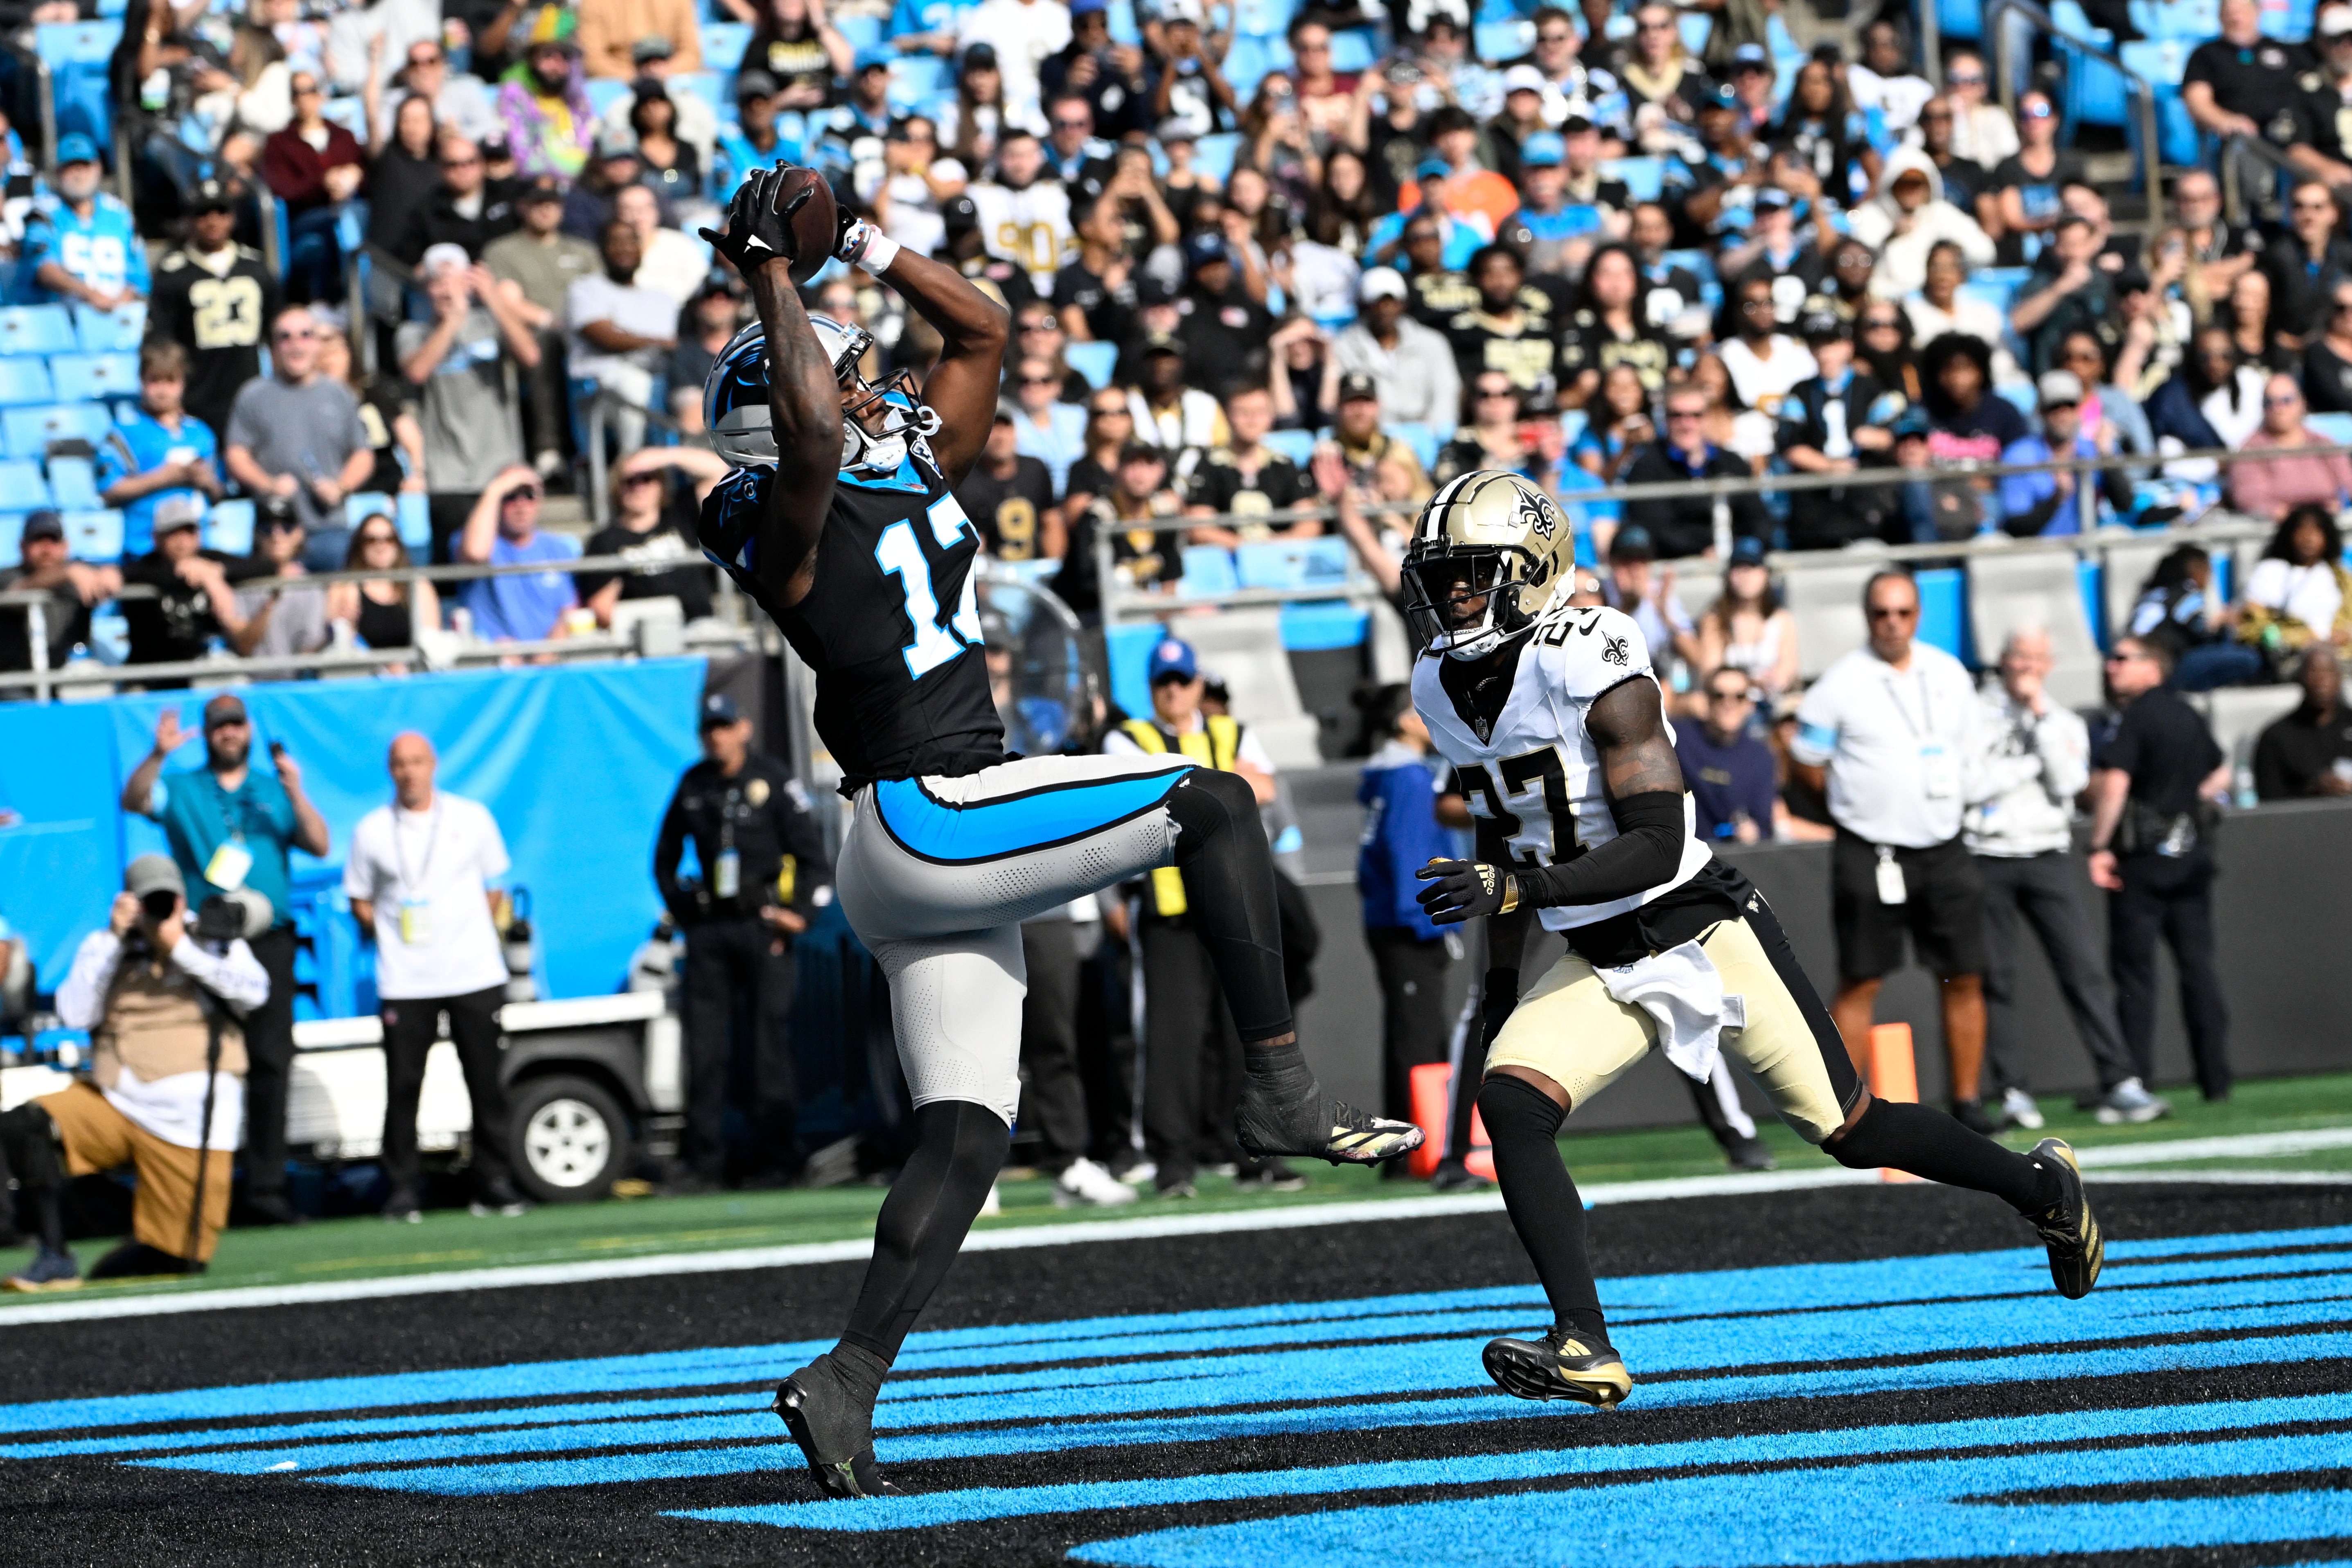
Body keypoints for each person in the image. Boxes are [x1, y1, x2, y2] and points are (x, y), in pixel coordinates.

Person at [691, 173, 1420, 1495]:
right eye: (844, 376)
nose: (867, 389)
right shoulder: (776, 519)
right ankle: (1274, 1091)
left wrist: (862, 242)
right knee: (1211, 802)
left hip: (922, 847)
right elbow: (802, 429)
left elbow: (980, 333)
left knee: (968, 1132)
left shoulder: (895, 459)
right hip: (930, 810)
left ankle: (844, 1379)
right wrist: (768, 275)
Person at [1399, 469, 2102, 1413]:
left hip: (1696, 919)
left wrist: (1518, 889)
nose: (1451, 596)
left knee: (1850, 1127)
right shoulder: (1439, 683)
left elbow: (1653, 837)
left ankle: (2039, 1185)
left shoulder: (1592, 648)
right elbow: (1503, 818)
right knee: (1512, 1103)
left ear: (1532, 571)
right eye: (1441, 576)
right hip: (1595, 945)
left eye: (1471, 574)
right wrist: (1496, 972)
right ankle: (1585, 1342)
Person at [1790, 570, 2002, 1133]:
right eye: (1881, 613)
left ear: (1917, 615)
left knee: (1964, 974)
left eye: (1902, 612)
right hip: (1870, 849)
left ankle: (1967, 1101)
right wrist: (1855, 804)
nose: (1891, 623)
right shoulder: (1839, 683)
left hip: (1943, 844)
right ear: (1866, 617)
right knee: (1860, 978)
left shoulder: (1947, 672)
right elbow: (1805, 760)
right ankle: (1840, 1113)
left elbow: (1968, 747)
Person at [0, 856, 268, 1289]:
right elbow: (73, 1010)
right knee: (23, 1124)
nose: (157, 907)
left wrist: (177, 944)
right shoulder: (109, 944)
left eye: (166, 899)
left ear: (182, 900)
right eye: (147, 900)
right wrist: (115, 938)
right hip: (119, 1099)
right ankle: (55, 1254)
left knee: (176, 1261)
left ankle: (146, 1227)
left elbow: (255, 992)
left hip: (193, 1123)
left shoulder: (211, 936)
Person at [120, 693, 329, 1227]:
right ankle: (201, 1191)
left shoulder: (271, 789)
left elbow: (320, 843)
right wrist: (157, 755)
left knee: (269, 1063)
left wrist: (296, 789)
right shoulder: (186, 788)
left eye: (236, 724)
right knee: (200, 1064)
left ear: (249, 730)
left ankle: (266, 1190)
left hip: (269, 940)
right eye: (219, 726)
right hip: (203, 942)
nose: (228, 733)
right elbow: (136, 798)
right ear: (208, 733)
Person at [1103, 636, 1300, 1199]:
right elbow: (1141, 800)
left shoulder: (1232, 730)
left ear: (1196, 684)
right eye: (1163, 683)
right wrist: (1223, 781)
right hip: (1170, 910)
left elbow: (1268, 791)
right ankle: (1172, 1161)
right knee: (1172, 1040)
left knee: (1249, 1034)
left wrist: (1200, 784)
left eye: (1181, 681)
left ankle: (1253, 1151)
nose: (1173, 691)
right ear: (1151, 689)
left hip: (1233, 903)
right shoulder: (1129, 737)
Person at [1966, 629, 2151, 1132]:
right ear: (2001, 660)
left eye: (2035, 657)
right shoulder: (1970, 715)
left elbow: (2068, 784)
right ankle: (2011, 1090)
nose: (2026, 666)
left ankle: (2118, 1078)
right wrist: (2023, 767)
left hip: (2046, 853)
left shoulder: (2063, 719)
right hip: (1987, 853)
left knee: (2083, 969)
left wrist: (2039, 723)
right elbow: (1969, 784)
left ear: (2048, 664)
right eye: (2017, 656)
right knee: (1996, 979)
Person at [342, 733, 528, 1221]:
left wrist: (464, 932)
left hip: (473, 973)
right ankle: (402, 1188)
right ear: (390, 770)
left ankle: (492, 1181)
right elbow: (359, 898)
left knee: (486, 1083)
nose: (409, 772)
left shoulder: (471, 818)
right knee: (403, 1087)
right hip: (406, 979)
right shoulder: (372, 830)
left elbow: (494, 888)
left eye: (417, 762)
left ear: (433, 764)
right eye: (400, 763)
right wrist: (392, 935)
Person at [653, 693, 832, 1191]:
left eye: (725, 726)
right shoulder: (693, 784)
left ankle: (775, 1157)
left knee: (766, 1044)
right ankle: (704, 1162)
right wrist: (687, 912)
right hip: (712, 929)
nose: (717, 736)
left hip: (763, 926)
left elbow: (814, 857)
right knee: (705, 1047)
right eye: (709, 728)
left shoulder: (772, 780)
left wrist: (800, 916)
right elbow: (663, 858)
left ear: (745, 728)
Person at [2088, 636, 2233, 1104]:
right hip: (2190, 860)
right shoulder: (2186, 713)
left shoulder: (2135, 719)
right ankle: (2215, 1079)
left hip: (2141, 865)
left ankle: (2135, 1080)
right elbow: (2219, 772)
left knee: (2135, 977)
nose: (2111, 667)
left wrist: (2098, 845)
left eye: (2122, 659)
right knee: (2199, 972)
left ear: (2152, 668)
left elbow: (2114, 784)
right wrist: (2186, 805)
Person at [1354, 683, 1459, 1158]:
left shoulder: (1392, 776)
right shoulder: (1410, 781)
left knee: (1410, 1034)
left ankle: (1413, 1148)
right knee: (1417, 1038)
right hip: (1409, 928)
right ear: (1403, 721)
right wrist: (1430, 925)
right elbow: (1410, 861)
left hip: (1392, 925)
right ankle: (1417, 1150)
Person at [224, 307, 376, 545]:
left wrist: (340, 487)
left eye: (305, 335)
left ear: (317, 344)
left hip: (331, 527)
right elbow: (236, 455)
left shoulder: (339, 394)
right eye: (286, 337)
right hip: (276, 531)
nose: (296, 345)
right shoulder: (253, 395)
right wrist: (270, 485)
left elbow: (363, 455)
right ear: (273, 347)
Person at [484, 177, 602, 478]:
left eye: (551, 203)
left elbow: (601, 293)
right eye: (537, 203)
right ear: (522, 207)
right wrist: (551, 321)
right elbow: (508, 300)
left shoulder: (583, 250)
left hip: (585, 330)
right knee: (544, 345)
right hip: (536, 331)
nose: (545, 210)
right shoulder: (503, 251)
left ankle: (596, 450)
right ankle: (548, 448)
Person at [146, 179, 280, 442]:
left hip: (250, 384)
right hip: (199, 393)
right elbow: (161, 340)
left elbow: (276, 330)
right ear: (190, 220)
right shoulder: (173, 274)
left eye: (221, 212)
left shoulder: (256, 268)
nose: (213, 221)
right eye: (203, 213)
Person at [97, 343, 228, 561]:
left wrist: (205, 480)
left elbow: (219, 491)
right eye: (155, 381)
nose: (162, 390)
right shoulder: (124, 433)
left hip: (197, 546)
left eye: (170, 381)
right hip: (144, 548)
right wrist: (165, 477)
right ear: (141, 381)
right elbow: (109, 490)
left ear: (183, 383)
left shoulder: (201, 434)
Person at [577, 446, 729, 626]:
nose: (639, 487)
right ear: (617, 487)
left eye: (647, 478)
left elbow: (720, 472)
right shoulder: (604, 541)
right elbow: (602, 609)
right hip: (644, 634)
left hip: (700, 624)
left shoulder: (682, 515)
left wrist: (667, 456)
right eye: (630, 480)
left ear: (660, 484)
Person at [566, 219, 678, 457]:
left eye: (631, 241)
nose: (625, 248)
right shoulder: (586, 289)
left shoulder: (662, 298)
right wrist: (656, 342)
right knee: (634, 384)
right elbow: (604, 337)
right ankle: (631, 464)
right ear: (602, 249)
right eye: (616, 242)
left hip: (659, 385)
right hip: (599, 389)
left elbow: (674, 348)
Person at [1619, 383, 1769, 559]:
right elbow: (1654, 528)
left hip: (1734, 564)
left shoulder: (1732, 463)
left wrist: (1732, 549)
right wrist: (1703, 550)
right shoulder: (1646, 467)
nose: (1687, 424)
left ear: (1708, 418)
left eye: (1696, 415)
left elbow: (1758, 520)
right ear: (1665, 419)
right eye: (1677, 416)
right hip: (1674, 566)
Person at [117, 499, 266, 672]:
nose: (182, 540)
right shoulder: (145, 567)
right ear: (157, 538)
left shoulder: (210, 561)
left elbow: (264, 566)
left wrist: (217, 572)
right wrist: (193, 574)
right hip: (152, 668)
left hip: (205, 666)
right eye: (173, 532)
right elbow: (125, 574)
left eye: (189, 531)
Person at [261, 70, 367, 300]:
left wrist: (355, 177)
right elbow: (284, 189)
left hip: (349, 212)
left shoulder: (344, 137)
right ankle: (333, 304)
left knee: (351, 221)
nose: (304, 98)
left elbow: (368, 177)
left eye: (310, 91)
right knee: (334, 227)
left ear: (320, 95)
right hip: (307, 219)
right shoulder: (279, 143)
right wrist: (324, 182)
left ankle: (361, 304)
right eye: (297, 93)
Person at [14, 133, 148, 310]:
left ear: (98, 168)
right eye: (71, 167)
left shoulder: (120, 215)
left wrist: (120, 303)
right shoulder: (43, 215)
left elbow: (139, 276)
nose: (78, 174)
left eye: (84, 166)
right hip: (57, 321)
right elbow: (44, 269)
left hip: (115, 321)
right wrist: (90, 295)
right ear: (58, 172)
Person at [1998, 370, 2131, 538]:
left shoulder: (2095, 449)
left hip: (2087, 552)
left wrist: (2106, 456)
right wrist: (2056, 498)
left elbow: (2125, 504)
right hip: (2038, 554)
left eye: (2070, 406)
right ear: (2041, 412)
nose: (2063, 415)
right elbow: (2017, 528)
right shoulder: (2018, 456)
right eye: (2054, 407)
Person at [1325, 267, 1461, 430]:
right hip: (1370, 437)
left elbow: (1446, 394)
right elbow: (1339, 400)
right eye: (1377, 302)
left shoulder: (1432, 343)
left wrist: (1435, 433)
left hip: (1425, 435)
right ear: (1366, 305)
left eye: (1392, 302)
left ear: (1403, 304)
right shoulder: (1344, 346)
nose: (1385, 309)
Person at [457, 465, 577, 642]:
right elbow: (475, 554)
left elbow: (569, 610)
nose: (521, 506)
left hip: (551, 662)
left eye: (529, 495)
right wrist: (496, 489)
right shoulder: (471, 540)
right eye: (510, 496)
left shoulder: (559, 547)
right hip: (493, 661)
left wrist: (549, 651)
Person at [0, 512, 118, 675]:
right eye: (38, 541)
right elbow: (17, 592)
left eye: (54, 541)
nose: (47, 549)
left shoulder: (82, 573)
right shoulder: (7, 577)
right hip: (17, 679)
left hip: (70, 674)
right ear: (22, 546)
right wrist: (67, 572)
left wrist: (113, 573)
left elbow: (136, 572)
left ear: (65, 546)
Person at [2239, 502, 2352, 665]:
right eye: (2302, 529)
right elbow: (2254, 627)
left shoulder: (2340, 576)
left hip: (2340, 657)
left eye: (2317, 530)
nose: (2309, 537)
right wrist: (2298, 639)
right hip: (2291, 659)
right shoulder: (2270, 571)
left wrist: (2346, 634)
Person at [2228, 375, 2352, 521]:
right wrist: (2298, 520)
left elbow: (2348, 482)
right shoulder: (2251, 450)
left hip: (2331, 524)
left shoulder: (2322, 443)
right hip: (2278, 530)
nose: (2278, 408)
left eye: (2286, 400)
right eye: (2270, 402)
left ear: (2302, 403)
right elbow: (2250, 498)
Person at [1695, 535, 1799, 704]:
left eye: (1752, 567)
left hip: (1771, 704)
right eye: (1739, 568)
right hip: (1730, 705)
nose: (1745, 576)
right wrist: (1752, 683)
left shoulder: (1782, 620)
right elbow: (1710, 675)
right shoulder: (1715, 620)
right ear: (1728, 576)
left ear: (1765, 574)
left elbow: (1789, 671)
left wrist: (1778, 680)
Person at [325, 511, 439, 661]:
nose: (381, 546)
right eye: (371, 540)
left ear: (398, 544)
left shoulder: (418, 586)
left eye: (389, 539)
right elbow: (336, 645)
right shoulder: (343, 587)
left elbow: (432, 641)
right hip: (364, 674)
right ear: (360, 545)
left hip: (411, 674)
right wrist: (346, 623)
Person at [230, 499, 333, 660]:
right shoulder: (242, 586)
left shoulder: (312, 587)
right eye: (267, 528)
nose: (276, 536)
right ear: (257, 534)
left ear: (299, 533)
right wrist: (270, 603)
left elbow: (310, 648)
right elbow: (243, 646)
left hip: (297, 683)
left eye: (286, 527)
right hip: (251, 682)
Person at [956, 409, 1062, 562]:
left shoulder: (1035, 469)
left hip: (1035, 572)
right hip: (991, 575)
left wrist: (1053, 568)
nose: (1000, 437)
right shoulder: (966, 480)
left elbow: (1051, 522)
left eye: (1006, 428)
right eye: (992, 428)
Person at [2255, 647, 2352, 799]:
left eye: (2328, 671)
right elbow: (2269, 802)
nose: (2322, 680)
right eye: (2314, 672)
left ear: (2340, 678)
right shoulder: (2276, 736)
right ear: (2300, 678)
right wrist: (2314, 788)